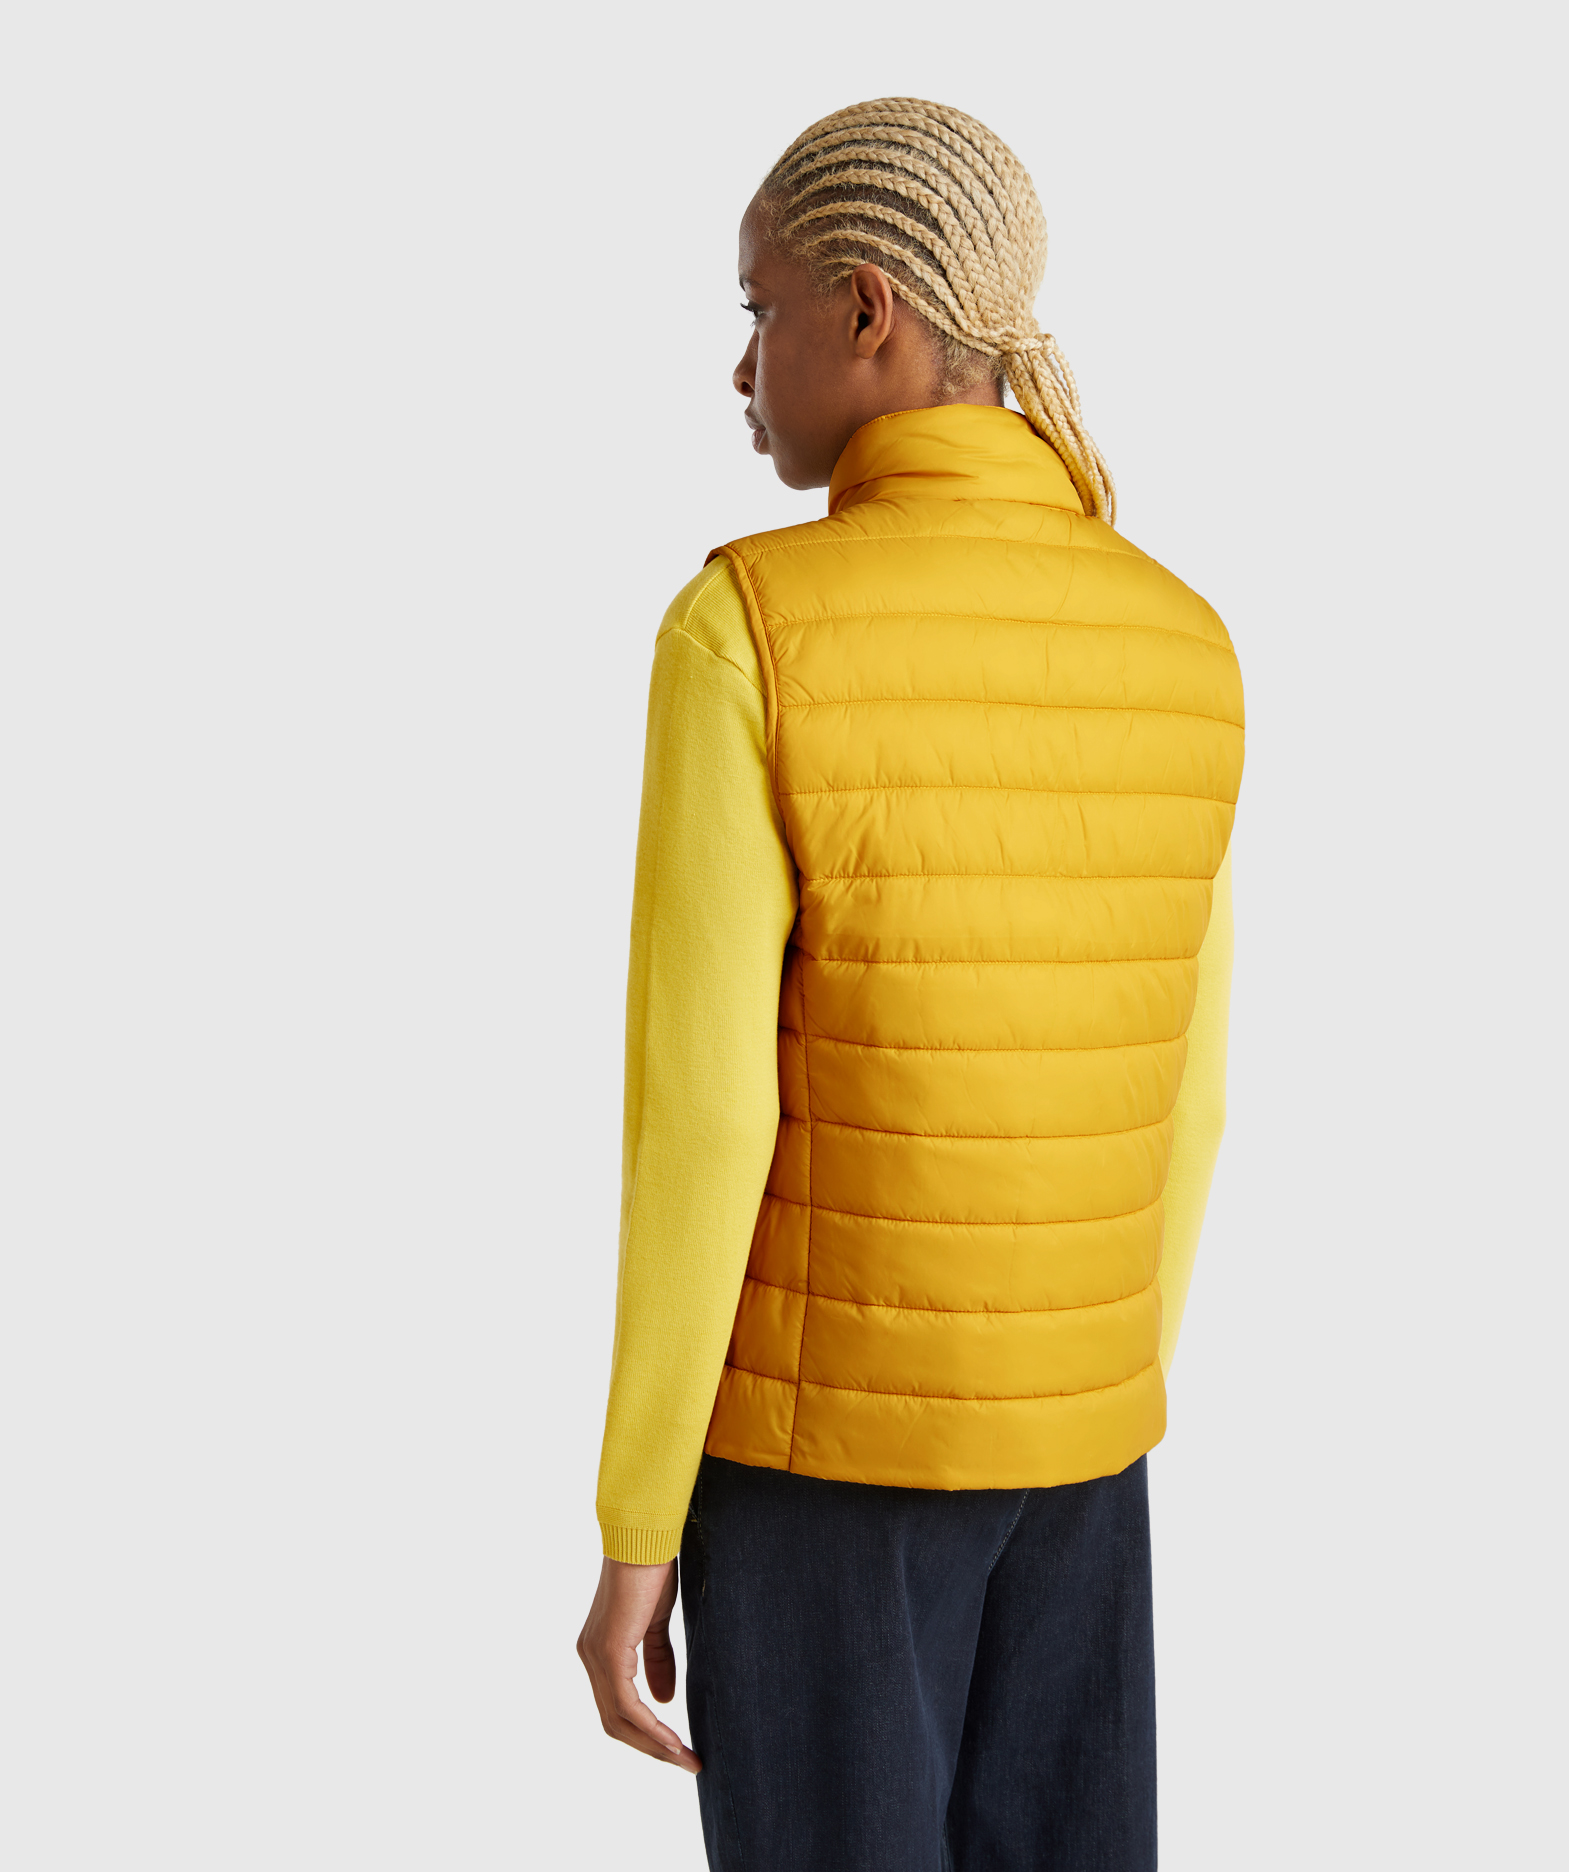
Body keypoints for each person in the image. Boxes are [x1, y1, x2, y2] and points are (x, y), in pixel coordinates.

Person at [573, 98, 1242, 1871]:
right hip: (1084, 1453)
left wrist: (639, 1513)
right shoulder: (1182, 637)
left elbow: (706, 1119)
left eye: (760, 309)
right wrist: (1075, 1386)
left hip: (823, 1473)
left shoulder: (748, 626)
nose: (741, 366)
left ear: (867, 310)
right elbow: (1192, 1098)